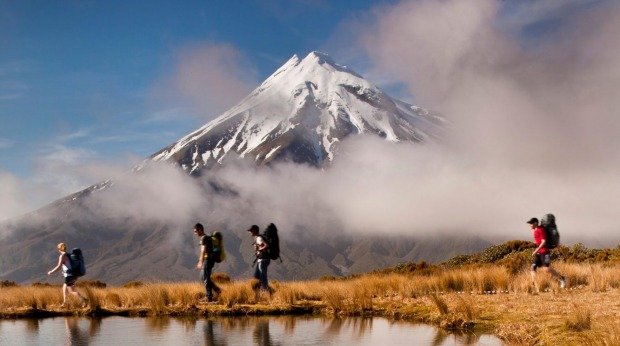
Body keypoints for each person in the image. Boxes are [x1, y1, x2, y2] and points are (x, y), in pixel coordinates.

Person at [527, 217, 566, 290]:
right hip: (539, 252)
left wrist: (536, 250)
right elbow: (539, 241)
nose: (530, 225)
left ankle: (562, 279)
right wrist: (532, 243)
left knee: (547, 269)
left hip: (545, 252)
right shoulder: (535, 230)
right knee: (533, 267)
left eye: (531, 223)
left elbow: (543, 241)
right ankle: (534, 284)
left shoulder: (541, 230)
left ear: (535, 223)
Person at [47, 242, 88, 307]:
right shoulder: (69, 255)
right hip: (74, 275)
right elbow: (68, 266)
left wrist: (51, 272)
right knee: (64, 289)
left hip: (69, 276)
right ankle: (65, 303)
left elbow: (59, 266)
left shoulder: (62, 256)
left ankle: (83, 300)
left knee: (71, 291)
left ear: (59, 249)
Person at [193, 223, 219, 302]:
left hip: (208, 260)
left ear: (200, 229)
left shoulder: (204, 238)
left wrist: (200, 262)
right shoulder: (206, 238)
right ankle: (218, 291)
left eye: (196, 231)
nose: (195, 233)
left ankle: (209, 297)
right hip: (209, 260)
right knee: (203, 277)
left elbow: (203, 250)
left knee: (205, 278)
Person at [247, 225, 270, 292]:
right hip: (261, 260)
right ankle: (258, 293)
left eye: (251, 231)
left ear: (255, 230)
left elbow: (266, 245)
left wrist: (259, 249)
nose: (250, 232)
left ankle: (266, 292)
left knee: (263, 277)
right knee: (256, 278)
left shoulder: (259, 238)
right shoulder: (258, 237)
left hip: (263, 260)